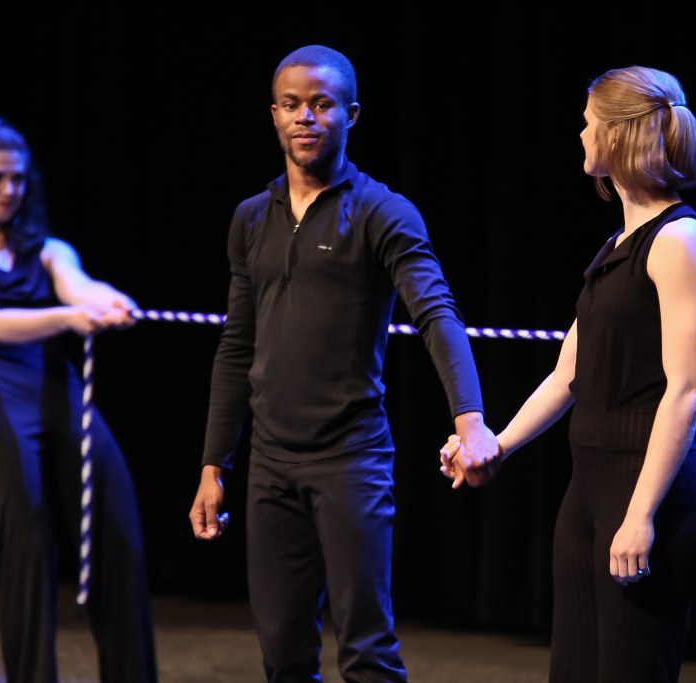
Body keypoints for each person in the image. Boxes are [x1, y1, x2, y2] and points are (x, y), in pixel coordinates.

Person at [188, 44, 498, 682]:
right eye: (293, 105)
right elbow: (237, 345)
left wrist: (470, 419)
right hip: (271, 465)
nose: (306, 117)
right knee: (283, 656)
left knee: (367, 651)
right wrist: (213, 464)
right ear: (274, 114)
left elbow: (437, 314)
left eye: (322, 105)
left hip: (350, 458)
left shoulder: (384, 212)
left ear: (351, 115)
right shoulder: (251, 219)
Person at [441, 65, 696, 682]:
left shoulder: (681, 240)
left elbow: (687, 388)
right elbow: (570, 372)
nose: (580, 133)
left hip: (649, 490)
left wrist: (642, 512)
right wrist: (493, 446)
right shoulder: (619, 242)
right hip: (589, 488)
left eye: (590, 121)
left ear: (619, 135)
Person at [0, 118, 158, 683]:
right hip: (0, 403)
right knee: (27, 551)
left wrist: (107, 300)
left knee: (119, 529)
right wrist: (73, 318)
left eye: (19, 179)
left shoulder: (48, 249)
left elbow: (80, 285)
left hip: (61, 393)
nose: (10, 190)